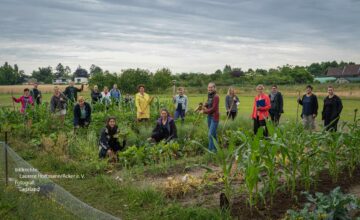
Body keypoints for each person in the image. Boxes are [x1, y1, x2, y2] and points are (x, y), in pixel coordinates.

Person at [202, 82, 220, 152]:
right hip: (209, 117)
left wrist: (204, 112)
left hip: (214, 117)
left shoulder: (216, 96)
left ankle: (210, 151)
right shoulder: (209, 95)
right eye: (209, 87)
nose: (210, 89)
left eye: (211, 87)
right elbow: (209, 104)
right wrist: (205, 105)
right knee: (214, 135)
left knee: (210, 134)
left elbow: (214, 108)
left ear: (214, 88)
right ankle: (216, 150)